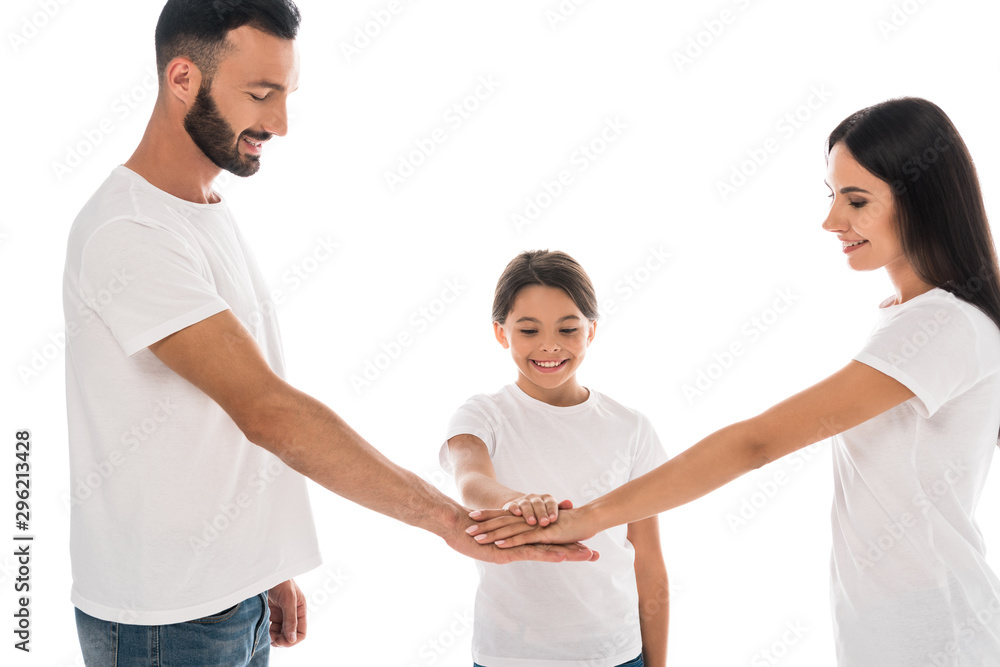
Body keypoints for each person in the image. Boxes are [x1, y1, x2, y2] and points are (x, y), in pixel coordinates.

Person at [62, 1, 596, 665]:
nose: (280, 123)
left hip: (228, 598)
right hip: (166, 621)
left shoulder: (202, 210)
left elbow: (214, 416)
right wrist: (449, 519)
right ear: (181, 80)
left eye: (285, 94)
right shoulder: (132, 231)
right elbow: (267, 411)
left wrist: (263, 566)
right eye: (260, 95)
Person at [467, 97, 1000, 666]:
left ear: (921, 199)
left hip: (938, 632)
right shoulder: (909, 317)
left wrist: (584, 519)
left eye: (857, 200)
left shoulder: (942, 324)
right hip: (890, 628)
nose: (831, 220)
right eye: (832, 195)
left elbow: (757, 443)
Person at [441, 250, 669, 667]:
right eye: (528, 330)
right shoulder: (481, 414)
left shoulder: (631, 427)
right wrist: (515, 501)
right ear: (501, 332)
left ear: (592, 330)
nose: (549, 345)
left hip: (616, 654)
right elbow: (470, 480)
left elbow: (649, 561)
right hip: (509, 656)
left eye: (568, 328)